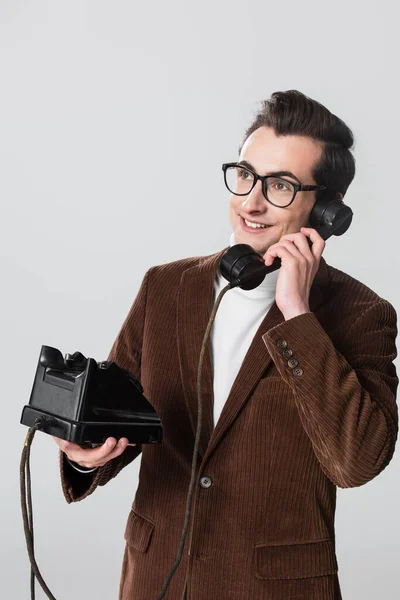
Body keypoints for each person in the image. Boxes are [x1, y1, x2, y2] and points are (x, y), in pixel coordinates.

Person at [53, 90, 399, 600]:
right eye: (245, 174)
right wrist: (87, 453)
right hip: (155, 580)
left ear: (328, 212)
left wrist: (298, 315)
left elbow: (357, 462)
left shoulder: (362, 314)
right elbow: (121, 421)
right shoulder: (164, 288)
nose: (251, 201)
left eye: (279, 185)